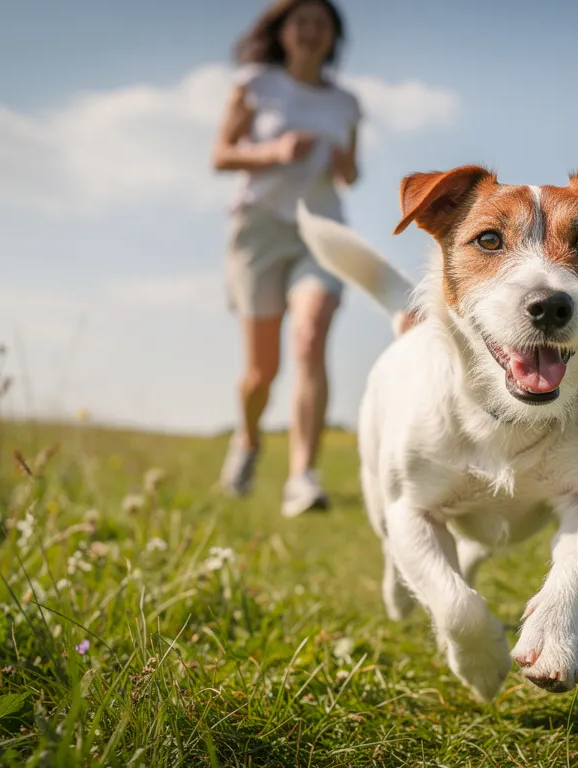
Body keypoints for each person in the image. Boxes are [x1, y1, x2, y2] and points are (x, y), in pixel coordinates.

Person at [211, 0, 361, 516]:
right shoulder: (255, 83)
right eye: (302, 22)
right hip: (259, 230)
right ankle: (248, 439)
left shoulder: (346, 102)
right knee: (261, 371)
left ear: (331, 35)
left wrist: (343, 164)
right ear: (283, 31)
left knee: (310, 337)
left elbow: (352, 174)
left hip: (320, 231)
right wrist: (274, 152)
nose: (311, 32)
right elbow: (221, 155)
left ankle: (302, 477)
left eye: (321, 24)